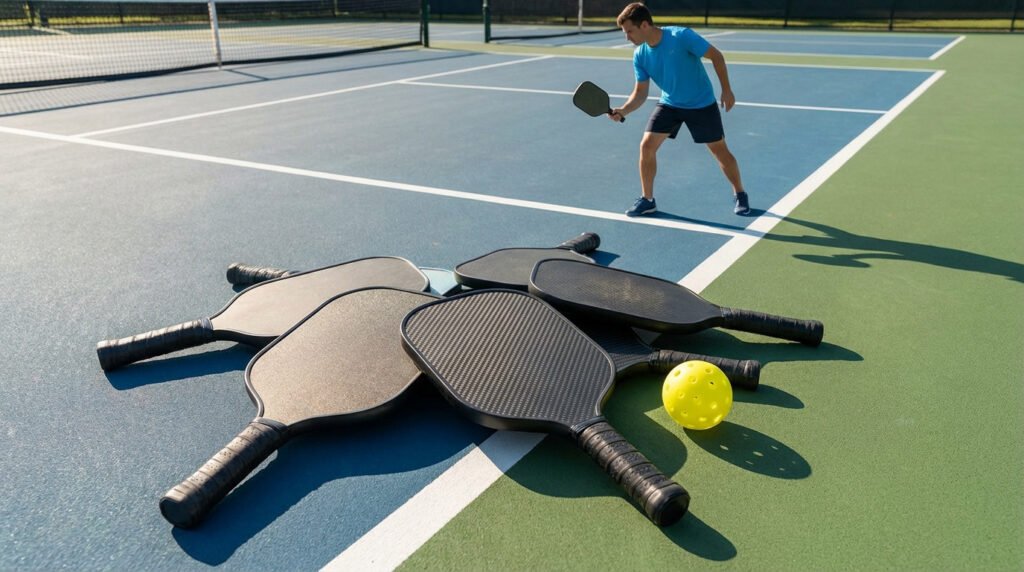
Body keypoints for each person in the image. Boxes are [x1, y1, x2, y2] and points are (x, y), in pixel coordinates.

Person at [610, 2, 750, 217]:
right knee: (646, 146)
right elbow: (640, 93)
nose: (627, 37)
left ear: (644, 25)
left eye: (629, 31)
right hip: (670, 104)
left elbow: (716, 56)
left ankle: (740, 193)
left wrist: (727, 90)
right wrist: (624, 110)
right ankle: (648, 199)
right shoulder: (640, 55)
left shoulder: (681, 36)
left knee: (719, 151)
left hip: (701, 103)